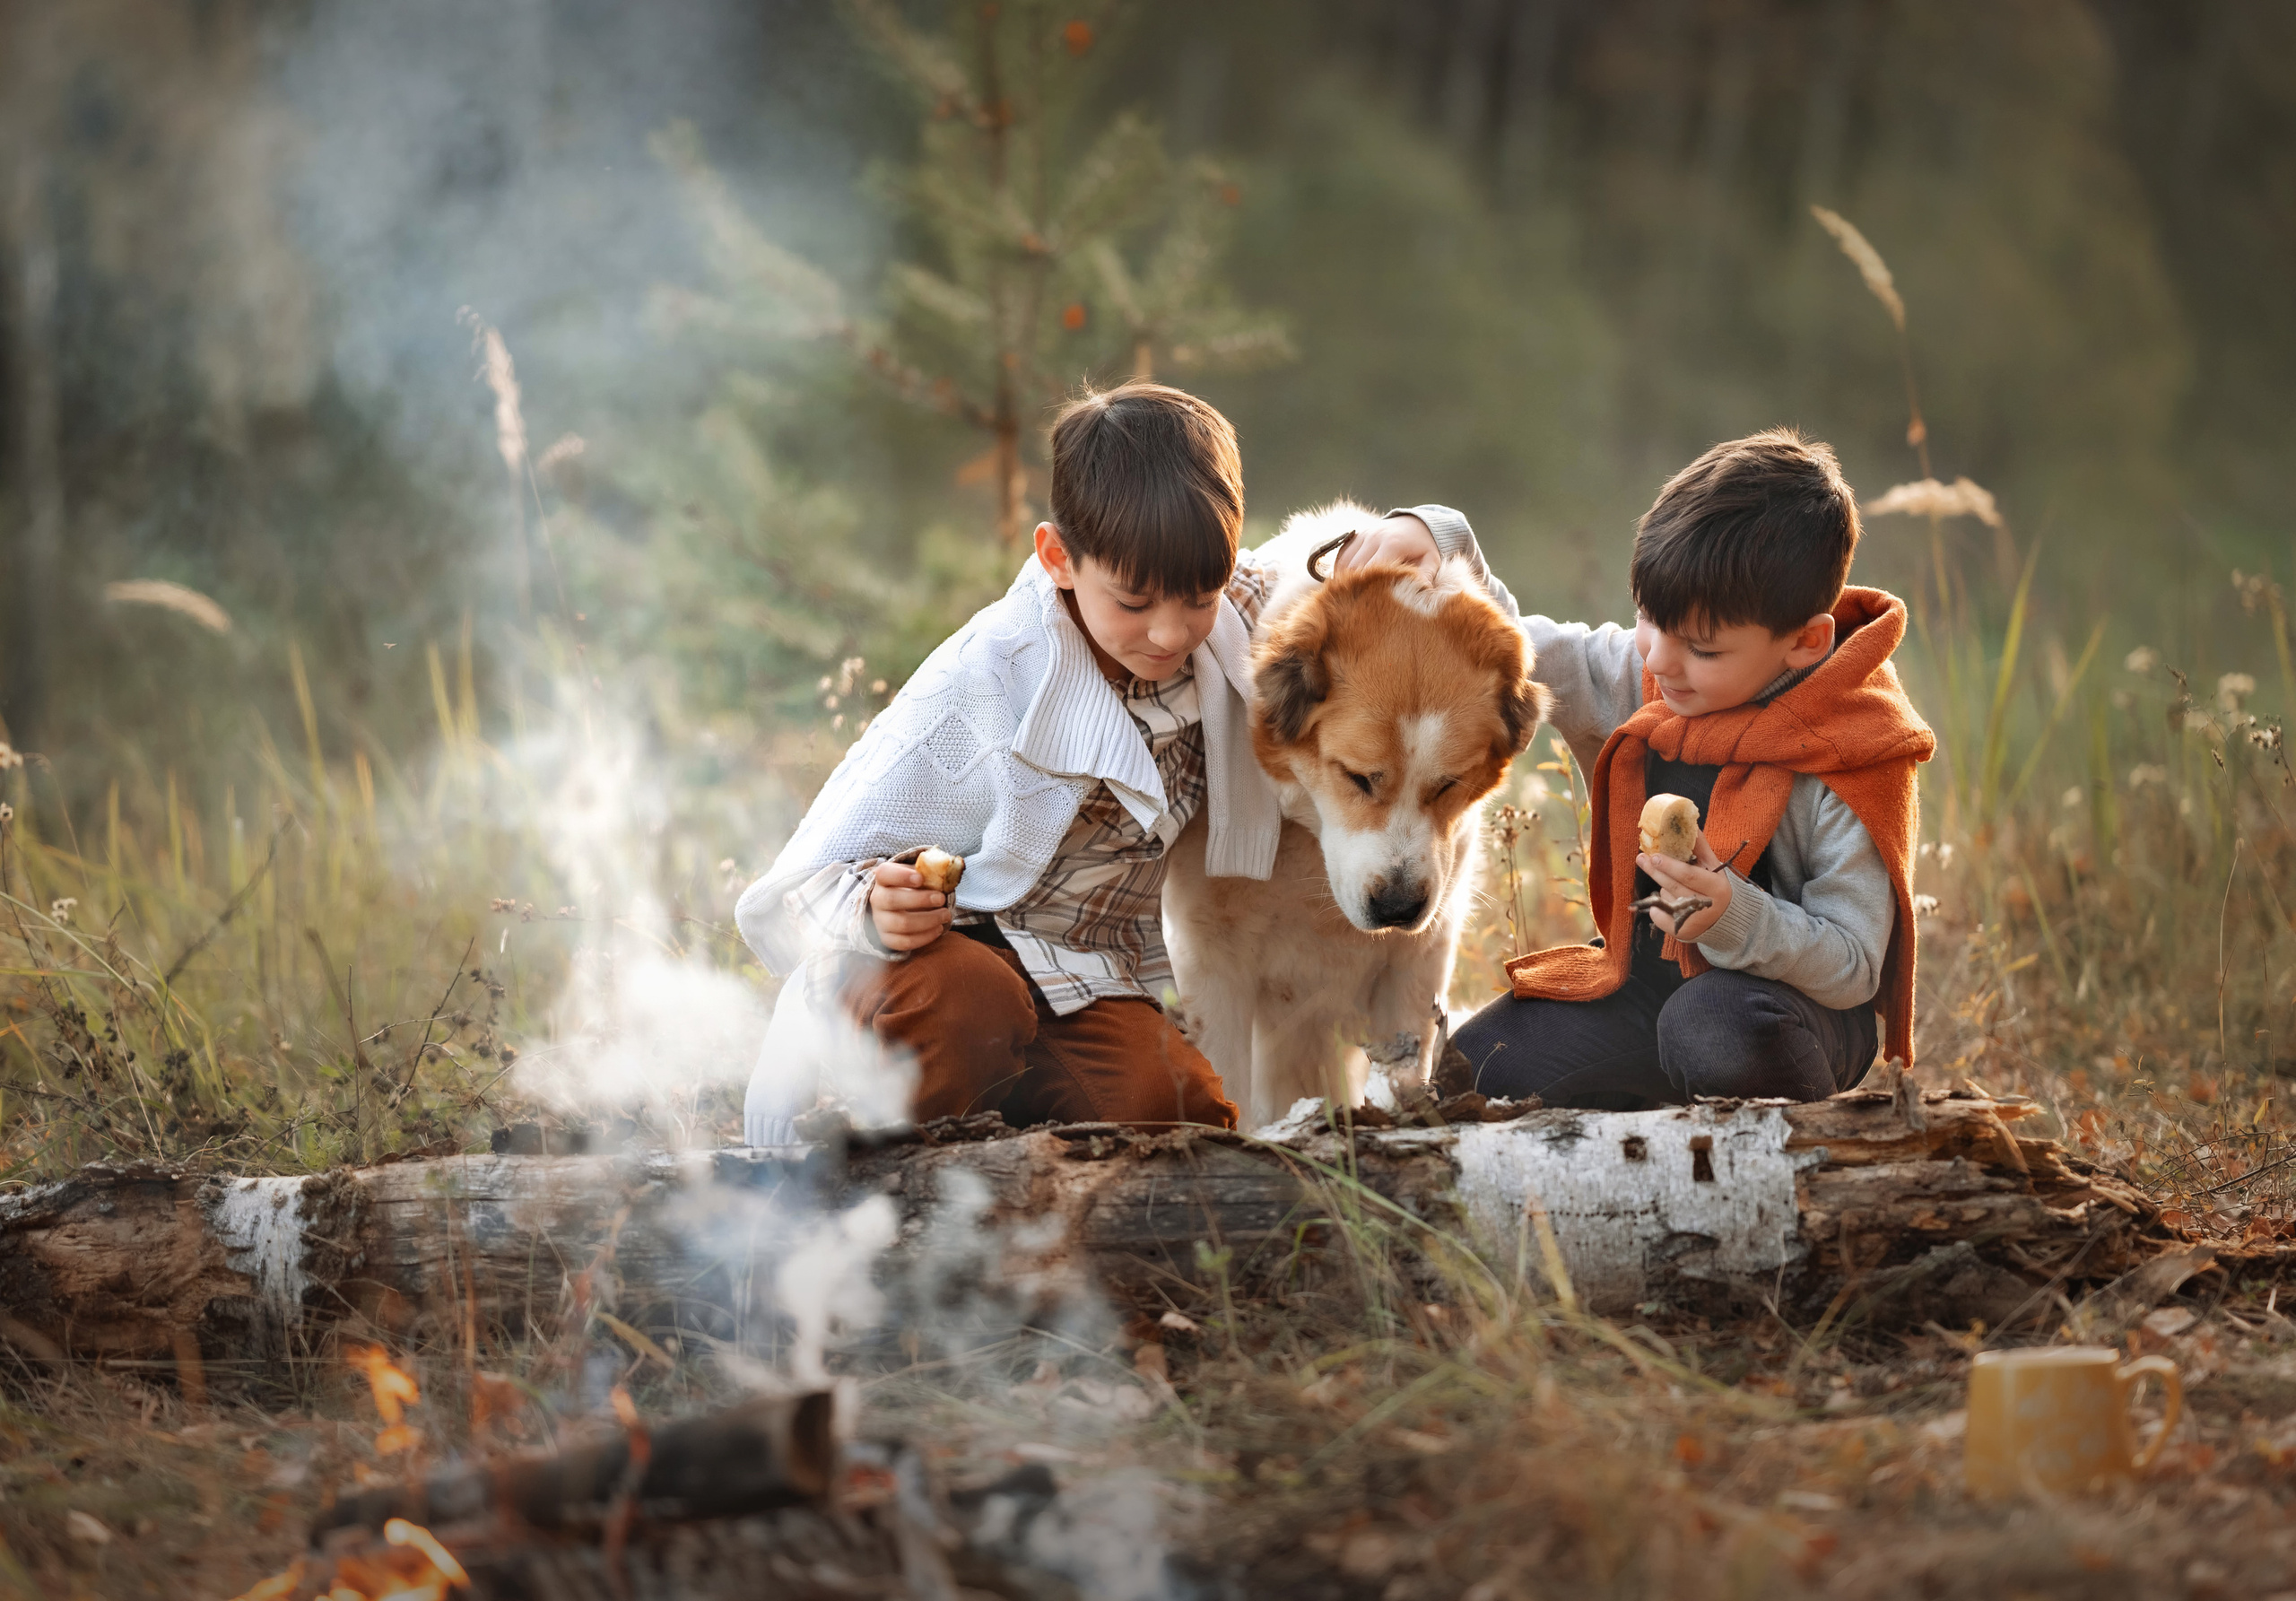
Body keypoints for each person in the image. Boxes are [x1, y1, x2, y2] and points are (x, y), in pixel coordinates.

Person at [735, 380, 1486, 1144]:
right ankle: (874, 1104)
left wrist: (1432, 528)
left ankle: (1021, 1128)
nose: (1170, 633)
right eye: (1134, 602)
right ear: (1058, 558)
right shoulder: (979, 688)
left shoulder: (1234, 614)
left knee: (1177, 1114)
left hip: (1079, 981)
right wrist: (871, 908)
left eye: (1199, 596)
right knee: (971, 1007)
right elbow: (805, 877)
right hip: (942, 963)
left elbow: (1425, 619)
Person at [1335, 429, 1935, 1109]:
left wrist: (1733, 914)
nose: (1660, 658)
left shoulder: (1855, 748)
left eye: (1703, 648)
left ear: (1805, 642)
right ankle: (1649, 1126)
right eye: (1648, 619)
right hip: (1648, 985)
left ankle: (1780, 1147)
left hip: (1788, 1012)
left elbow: (1854, 968)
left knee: (1710, 1028)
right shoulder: (1651, 674)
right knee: (1478, 1068)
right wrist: (1443, 538)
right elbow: (1511, 645)